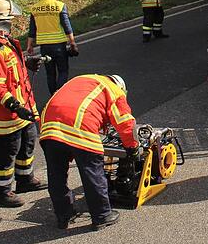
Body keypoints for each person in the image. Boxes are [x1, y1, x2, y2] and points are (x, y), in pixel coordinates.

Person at [39, 74, 136, 230]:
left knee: (56, 174)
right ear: (121, 88)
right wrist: (131, 147)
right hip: (79, 125)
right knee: (92, 171)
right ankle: (102, 215)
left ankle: (64, 215)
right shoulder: (113, 89)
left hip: (49, 127)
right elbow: (125, 122)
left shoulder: (81, 81)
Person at [0, 0, 46, 207]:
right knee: (6, 151)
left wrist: (28, 63)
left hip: (22, 108)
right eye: (9, 22)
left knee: (27, 142)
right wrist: (15, 107)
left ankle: (25, 180)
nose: (11, 26)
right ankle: (2, 191)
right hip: (7, 114)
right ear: (0, 22)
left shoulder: (5, 43)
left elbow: (13, 68)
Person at [27, 0, 78, 96]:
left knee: (50, 74)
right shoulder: (59, 6)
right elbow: (67, 26)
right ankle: (58, 95)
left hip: (44, 47)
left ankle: (52, 96)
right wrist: (72, 42)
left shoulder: (35, 8)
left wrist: (29, 45)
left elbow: (32, 29)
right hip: (59, 46)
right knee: (63, 71)